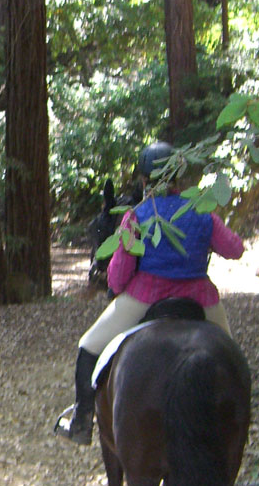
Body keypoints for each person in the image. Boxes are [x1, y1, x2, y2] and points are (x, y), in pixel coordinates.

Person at [54, 141, 245, 445]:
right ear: (179, 177)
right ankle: (239, 417)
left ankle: (81, 421)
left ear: (144, 180)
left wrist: (115, 289)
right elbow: (234, 250)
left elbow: (119, 273)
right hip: (201, 299)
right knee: (232, 361)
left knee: (88, 346)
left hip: (145, 297)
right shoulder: (202, 210)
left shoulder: (137, 215)